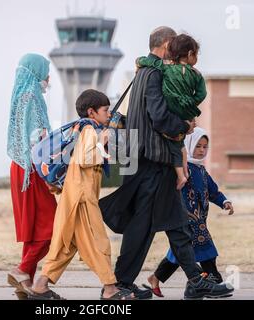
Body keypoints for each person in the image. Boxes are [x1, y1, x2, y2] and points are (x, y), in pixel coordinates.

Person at [99, 26, 234, 300]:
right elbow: (160, 116)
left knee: (172, 222)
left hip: (147, 158)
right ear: (166, 44)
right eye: (173, 45)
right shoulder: (153, 74)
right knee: (150, 225)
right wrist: (184, 126)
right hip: (152, 160)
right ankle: (121, 284)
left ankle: (192, 280)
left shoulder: (143, 73)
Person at [29, 90, 134, 300]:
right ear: (92, 112)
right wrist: (103, 141)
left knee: (66, 244)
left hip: (74, 194)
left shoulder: (86, 128)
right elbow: (85, 158)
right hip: (82, 197)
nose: (108, 114)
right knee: (98, 241)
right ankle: (110, 289)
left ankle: (40, 285)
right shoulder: (89, 129)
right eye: (105, 110)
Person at [145, 127, 235, 297]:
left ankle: (157, 278)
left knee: (181, 252)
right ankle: (213, 281)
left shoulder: (201, 170)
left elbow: (213, 191)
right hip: (185, 218)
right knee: (206, 248)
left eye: (204, 147)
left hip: (200, 219)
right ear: (188, 145)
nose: (201, 150)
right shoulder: (182, 168)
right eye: (198, 146)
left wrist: (224, 201)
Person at [6, 53, 57, 299]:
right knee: (53, 224)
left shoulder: (19, 97)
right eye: (46, 72)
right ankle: (23, 269)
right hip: (33, 169)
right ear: (36, 73)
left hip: (19, 167)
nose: (48, 78)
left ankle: (25, 279)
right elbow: (40, 140)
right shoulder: (34, 98)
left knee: (36, 226)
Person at [137, 33, 206, 190]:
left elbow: (149, 62)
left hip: (172, 110)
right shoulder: (196, 74)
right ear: (190, 54)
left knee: (175, 144)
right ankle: (184, 171)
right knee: (180, 143)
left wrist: (139, 61)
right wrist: (191, 103)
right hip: (186, 111)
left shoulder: (165, 69)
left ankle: (181, 175)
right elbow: (202, 94)